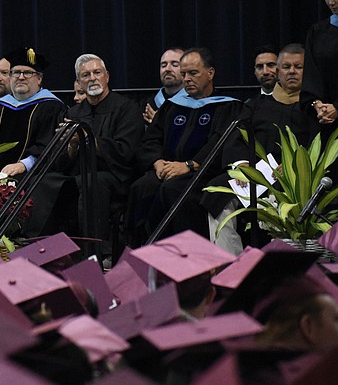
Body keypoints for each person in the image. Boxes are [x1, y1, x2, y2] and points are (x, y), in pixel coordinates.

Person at [202, 44, 316, 253]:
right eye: (286, 67)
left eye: (298, 67)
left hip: (294, 179)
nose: (292, 71)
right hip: (254, 174)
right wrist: (241, 164)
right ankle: (231, 264)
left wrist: (293, 167)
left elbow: (319, 145)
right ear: (278, 72)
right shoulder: (256, 105)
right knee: (216, 194)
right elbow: (236, 137)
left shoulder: (314, 108)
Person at [127, 47, 244, 245]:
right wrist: (157, 162)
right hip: (167, 169)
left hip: (202, 173)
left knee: (173, 189)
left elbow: (220, 144)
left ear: (210, 73)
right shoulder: (172, 106)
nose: (187, 79)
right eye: (184, 74)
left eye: (193, 73)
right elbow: (151, 140)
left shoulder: (227, 107)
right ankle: (140, 252)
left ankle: (184, 253)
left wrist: (189, 165)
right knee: (142, 187)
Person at [36, 54, 143, 242]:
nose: (92, 78)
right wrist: (72, 144)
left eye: (97, 72)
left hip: (115, 177)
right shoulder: (73, 113)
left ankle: (95, 249)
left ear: (107, 76)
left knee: (92, 182)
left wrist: (87, 138)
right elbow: (59, 161)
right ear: (79, 82)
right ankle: (45, 247)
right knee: (45, 181)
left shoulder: (126, 108)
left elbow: (126, 152)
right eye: (86, 75)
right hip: (78, 174)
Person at [0, 47, 64, 180]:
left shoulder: (51, 107)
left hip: (30, 176)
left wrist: (24, 164)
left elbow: (50, 146)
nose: (21, 77)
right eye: (16, 72)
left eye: (28, 73)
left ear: (39, 79)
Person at [301, 0, 338, 129]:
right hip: (324, 117)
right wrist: (316, 104)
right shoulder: (317, 32)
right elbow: (311, 74)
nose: (331, 2)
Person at [141, 48, 185, 124]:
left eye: (175, 65)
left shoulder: (194, 103)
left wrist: (159, 125)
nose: (167, 69)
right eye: (163, 65)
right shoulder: (147, 105)